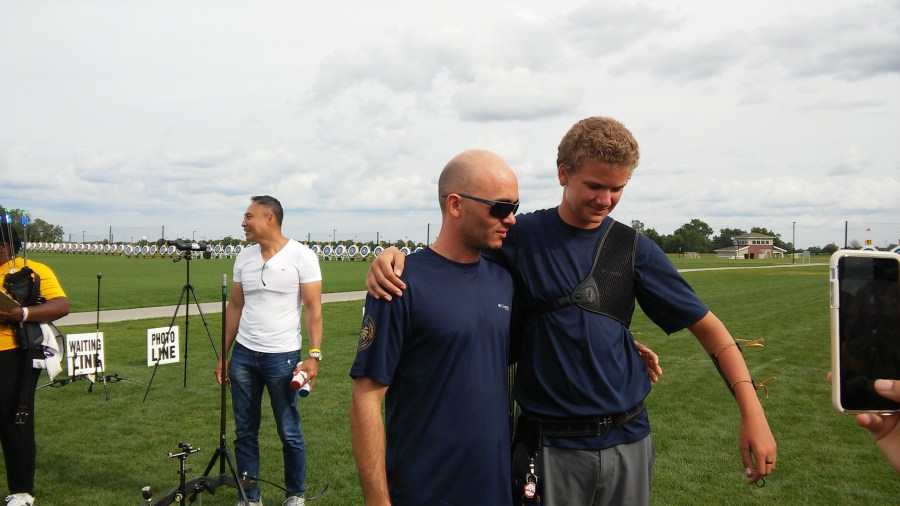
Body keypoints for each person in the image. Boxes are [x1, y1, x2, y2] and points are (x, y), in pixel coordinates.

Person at [366, 117, 777, 505]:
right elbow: (454, 257)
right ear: (563, 173)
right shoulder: (519, 236)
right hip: (550, 448)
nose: (606, 200)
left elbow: (710, 329)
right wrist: (392, 257)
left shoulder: (632, 248)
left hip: (628, 439)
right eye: (595, 186)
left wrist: (752, 412)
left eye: (617, 188)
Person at [349, 150, 520, 505]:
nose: (511, 219)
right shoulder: (399, 282)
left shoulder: (504, 279)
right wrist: (377, 501)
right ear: (455, 205)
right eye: (501, 208)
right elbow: (366, 398)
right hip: (425, 490)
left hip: (495, 488)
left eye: (515, 207)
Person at [215, 196, 323, 506]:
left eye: (249, 216)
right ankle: (250, 498)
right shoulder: (244, 257)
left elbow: (313, 310)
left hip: (283, 358)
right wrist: (224, 355)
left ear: (270, 218)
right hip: (244, 357)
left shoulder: (302, 256)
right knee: (245, 432)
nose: (243, 223)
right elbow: (235, 306)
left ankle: (295, 495)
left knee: (289, 432)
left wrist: (314, 355)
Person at [0, 225, 69, 506]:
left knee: (15, 423)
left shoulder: (34, 270)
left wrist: (22, 313)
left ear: (5, 246)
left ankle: (21, 493)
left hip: (13, 355)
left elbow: (61, 306)